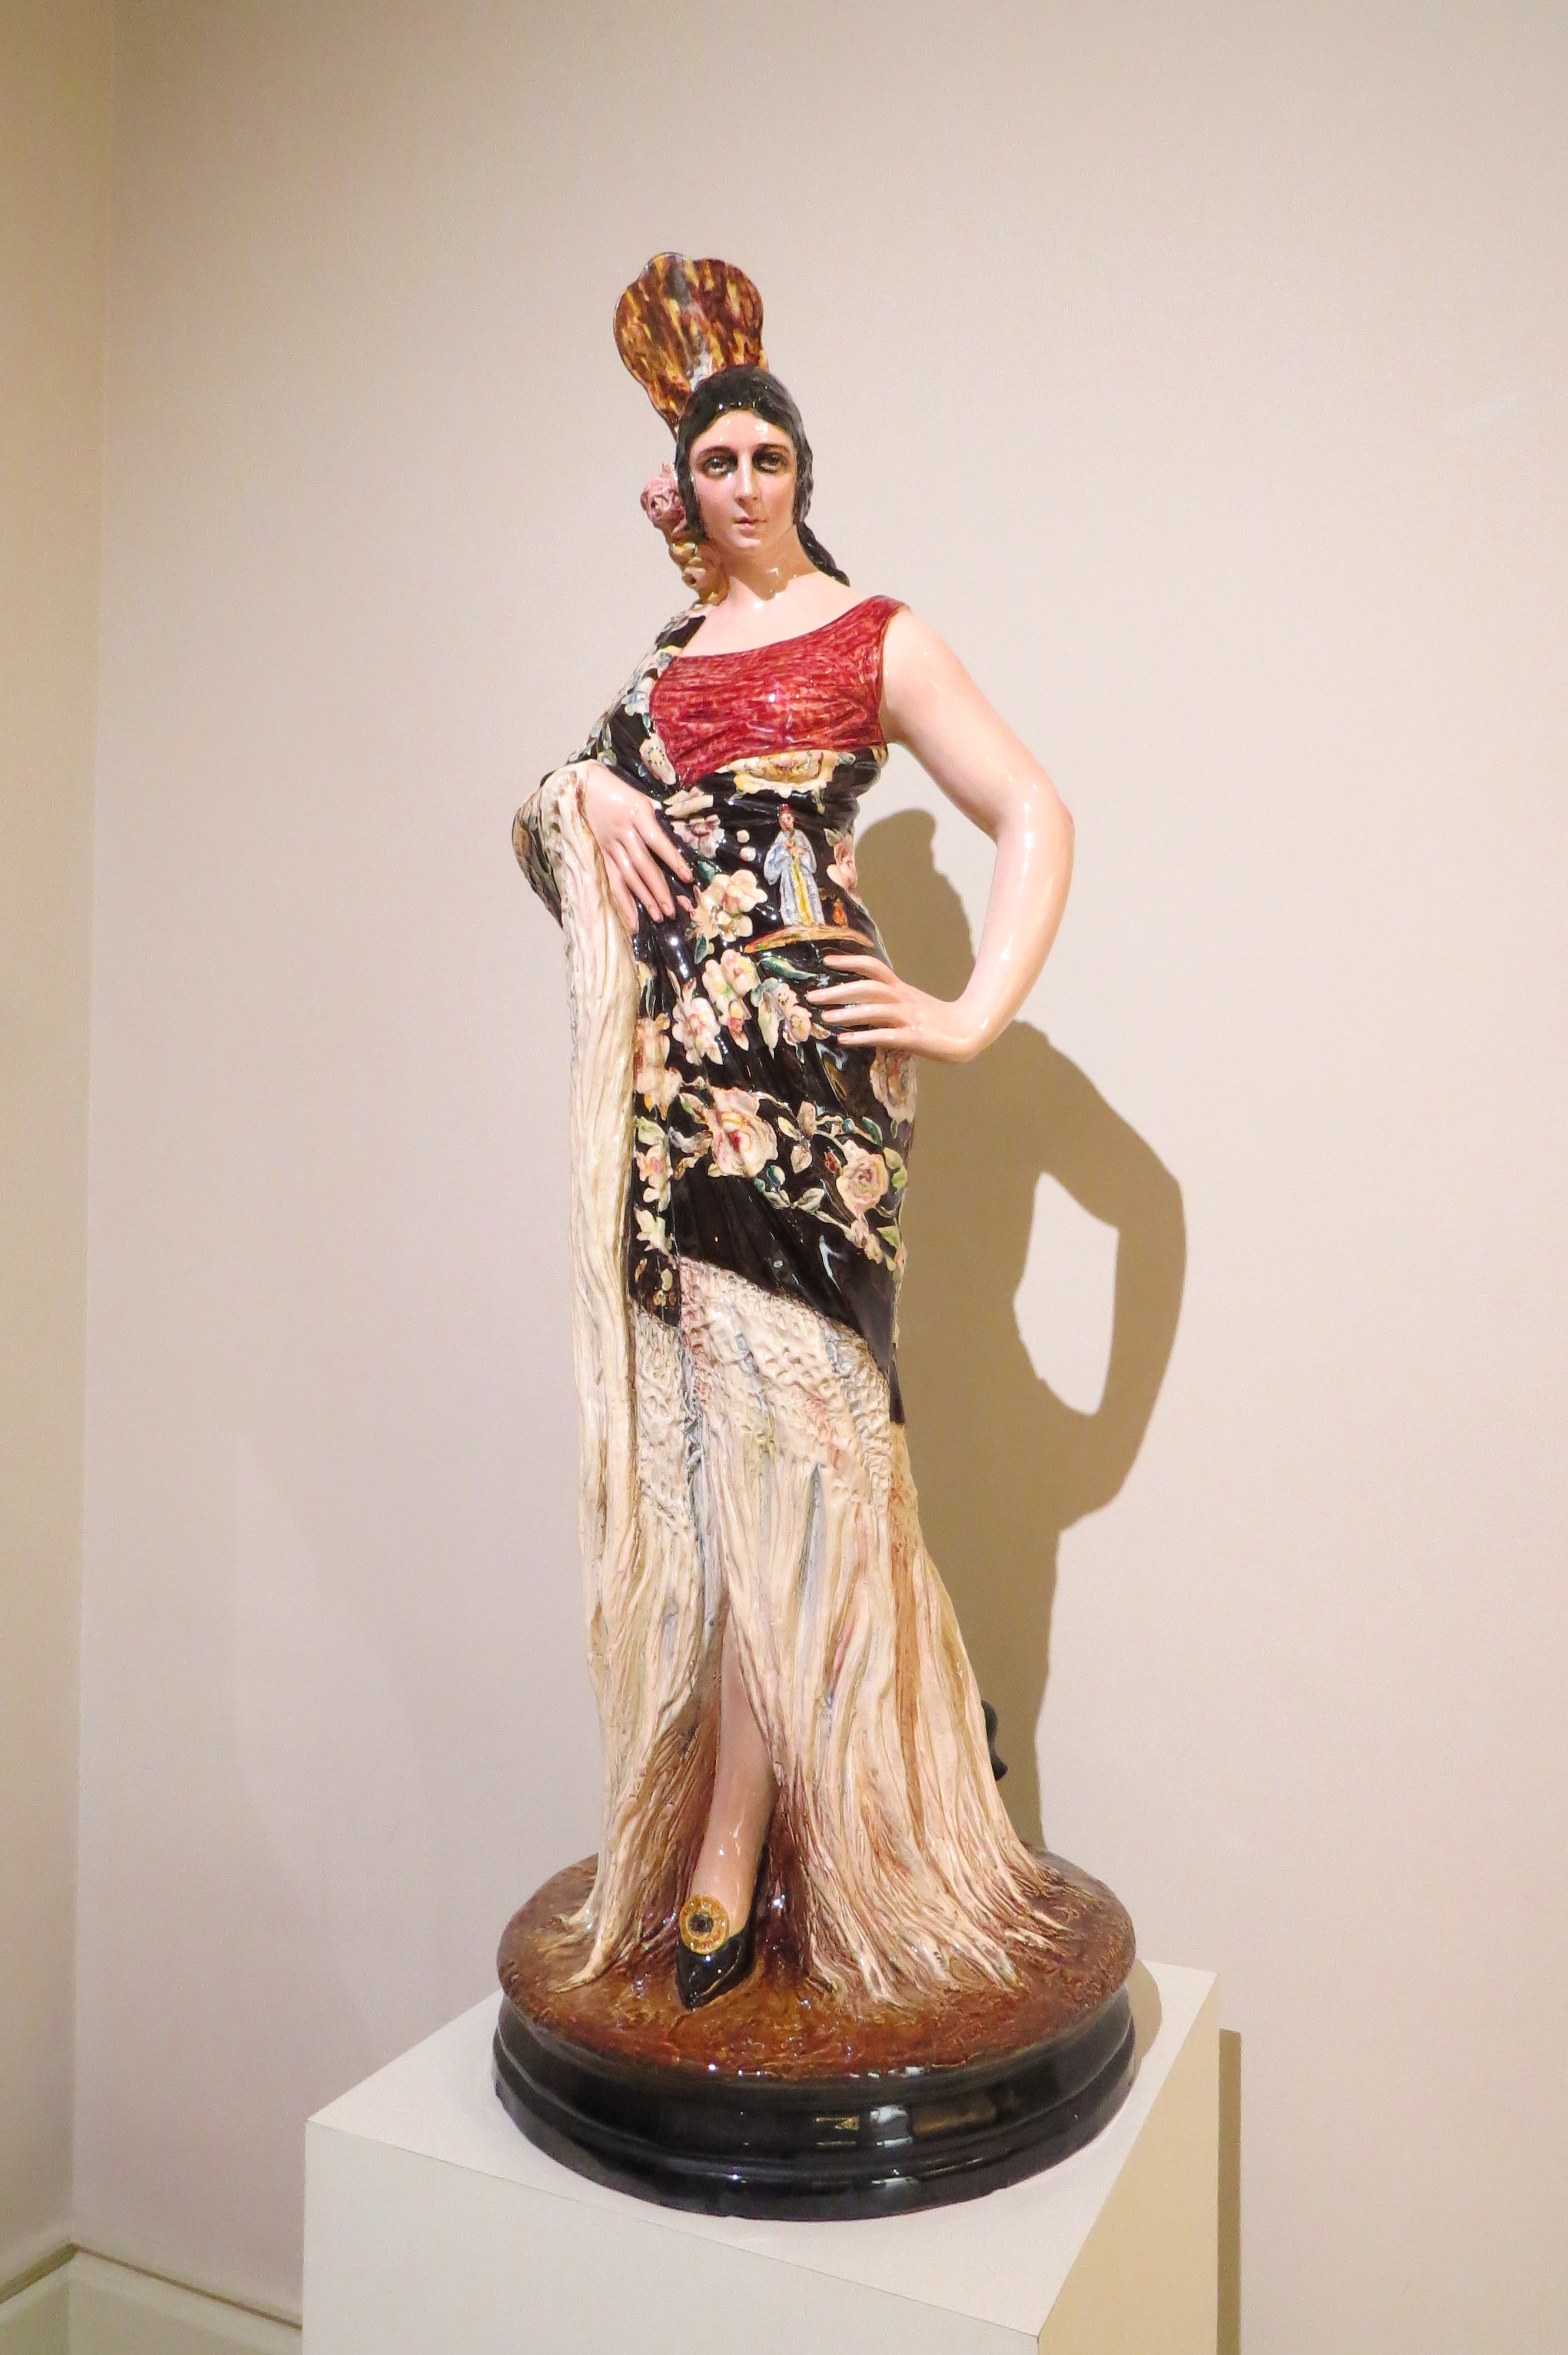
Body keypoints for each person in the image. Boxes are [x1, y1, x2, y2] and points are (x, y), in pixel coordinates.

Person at [515, 255, 1079, 2011]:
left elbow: (1033, 808)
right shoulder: (667, 668)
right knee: (717, 1468)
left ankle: (740, 1842)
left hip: (815, 1103)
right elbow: (545, 838)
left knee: (811, 1459)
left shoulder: (872, 635)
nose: (744, 483)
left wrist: (967, 1013)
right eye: (717, 461)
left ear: (801, 472)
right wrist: (583, 789)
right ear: (680, 488)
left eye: (767, 456)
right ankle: (778, 1823)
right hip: (679, 1102)